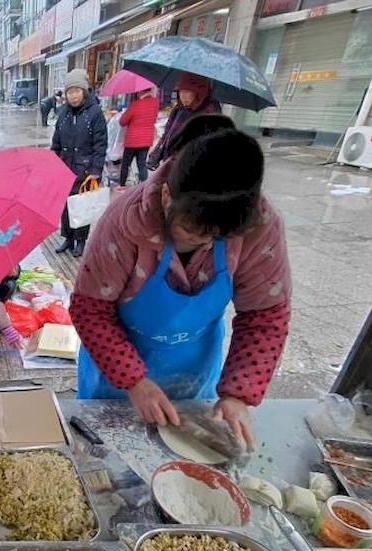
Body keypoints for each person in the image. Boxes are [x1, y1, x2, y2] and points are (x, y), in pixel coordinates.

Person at [70, 124, 291, 448]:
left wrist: (239, 394)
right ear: (166, 197)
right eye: (191, 232)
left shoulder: (260, 226)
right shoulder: (124, 221)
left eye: (217, 238)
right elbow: (91, 309)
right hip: (115, 377)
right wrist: (133, 381)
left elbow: (265, 317)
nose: (203, 243)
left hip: (192, 372)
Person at [51, 69, 107, 258]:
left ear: (84, 90)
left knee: (82, 207)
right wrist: (52, 164)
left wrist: (95, 170)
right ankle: (68, 238)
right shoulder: (63, 114)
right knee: (66, 206)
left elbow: (101, 144)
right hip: (65, 168)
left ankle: (81, 241)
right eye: (70, 91)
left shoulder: (95, 113)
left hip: (86, 170)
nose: (73, 95)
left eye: (77, 90)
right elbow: (56, 143)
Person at [147, 73, 221, 170]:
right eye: (180, 91)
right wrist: (156, 155)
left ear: (199, 92)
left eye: (187, 92)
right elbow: (167, 135)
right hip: (171, 165)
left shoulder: (210, 113)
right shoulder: (179, 110)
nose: (183, 96)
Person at [118, 89, 158, 186]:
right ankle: (143, 188)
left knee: (125, 165)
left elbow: (122, 122)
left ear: (140, 92)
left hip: (132, 140)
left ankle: (122, 185)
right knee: (142, 164)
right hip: (146, 140)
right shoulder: (155, 103)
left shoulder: (135, 104)